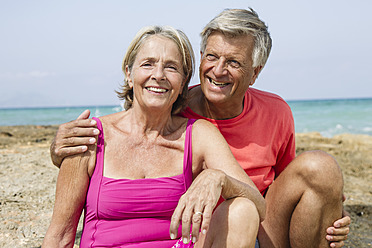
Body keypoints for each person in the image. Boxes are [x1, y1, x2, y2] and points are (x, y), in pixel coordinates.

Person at [50, 9, 351, 248]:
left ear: (255, 72)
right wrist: (59, 150)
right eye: (211, 56)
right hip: (204, 231)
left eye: (233, 62)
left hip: (252, 222)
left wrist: (329, 211)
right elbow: (130, 131)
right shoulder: (168, 107)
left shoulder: (268, 114)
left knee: (319, 169)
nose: (218, 71)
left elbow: (287, 183)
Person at [42, 25, 265, 248]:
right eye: (148, 64)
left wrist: (219, 178)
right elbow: (60, 235)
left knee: (241, 210)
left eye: (171, 67)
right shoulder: (89, 137)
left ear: (182, 83)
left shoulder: (198, 133)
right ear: (129, 74)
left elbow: (259, 206)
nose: (158, 75)